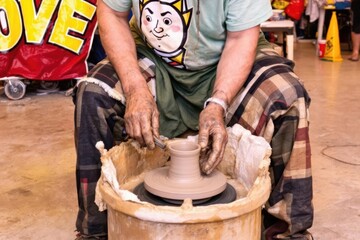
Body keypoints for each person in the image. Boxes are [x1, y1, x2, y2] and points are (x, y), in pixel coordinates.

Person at [73, 0, 314, 239]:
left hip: (228, 56)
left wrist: (219, 102)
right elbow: (112, 14)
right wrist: (135, 87)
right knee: (94, 95)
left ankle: (288, 232)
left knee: (287, 95)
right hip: (155, 56)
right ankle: (96, 229)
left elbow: (241, 39)